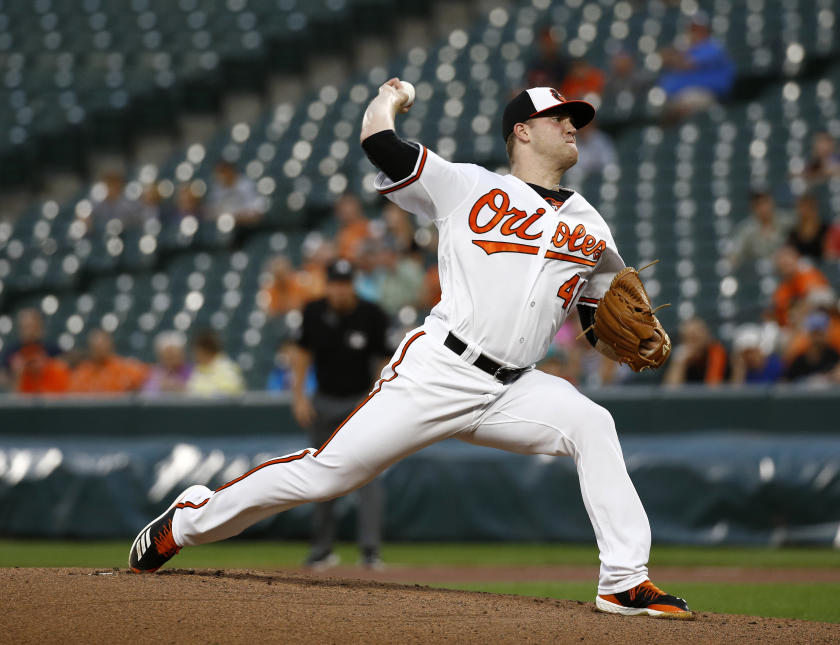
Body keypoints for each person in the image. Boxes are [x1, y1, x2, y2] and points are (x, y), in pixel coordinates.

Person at [129, 81, 693, 620]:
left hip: (515, 386)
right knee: (326, 475)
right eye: (560, 117)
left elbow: (600, 316)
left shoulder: (589, 223)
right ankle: (189, 520)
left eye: (577, 120)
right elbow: (379, 142)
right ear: (522, 131)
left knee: (592, 423)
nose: (573, 125)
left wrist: (630, 337)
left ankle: (623, 580)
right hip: (441, 368)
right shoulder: (469, 186)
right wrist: (387, 99)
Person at [288, 259, 392, 569]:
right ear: (328, 283)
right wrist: (299, 397)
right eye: (335, 282)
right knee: (319, 474)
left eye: (345, 283)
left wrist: (377, 399)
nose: (339, 289)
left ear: (353, 284)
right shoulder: (313, 311)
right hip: (324, 400)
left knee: (369, 476)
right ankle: (321, 550)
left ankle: (370, 551)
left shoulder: (372, 313)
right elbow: (301, 353)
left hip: (359, 401)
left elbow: (386, 358)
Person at [657, 12, 735, 122]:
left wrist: (671, 56)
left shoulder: (713, 47)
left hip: (705, 95)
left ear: (706, 31)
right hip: (675, 97)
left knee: (687, 102)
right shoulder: (687, 51)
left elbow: (687, 64)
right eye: (691, 30)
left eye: (698, 30)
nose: (694, 34)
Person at [69, 329, 149, 393]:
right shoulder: (82, 372)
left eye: (102, 346)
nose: (99, 350)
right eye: (96, 347)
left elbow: (145, 376)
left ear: (111, 346)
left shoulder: (125, 367)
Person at [0, 308, 62, 391]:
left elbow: (65, 370)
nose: (28, 332)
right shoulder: (10, 351)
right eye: (24, 327)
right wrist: (15, 373)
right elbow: (3, 379)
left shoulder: (52, 349)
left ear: (40, 327)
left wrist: (48, 367)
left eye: (32, 327)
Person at [727, 190, 791, 268]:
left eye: (765, 202)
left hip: (786, 270)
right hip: (757, 273)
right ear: (752, 207)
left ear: (772, 202)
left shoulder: (786, 220)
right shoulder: (745, 229)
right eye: (758, 204)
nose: (763, 208)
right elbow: (734, 253)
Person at [770, 246, 829, 327]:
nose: (785, 266)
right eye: (782, 264)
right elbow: (779, 318)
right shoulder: (780, 291)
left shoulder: (809, 275)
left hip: (818, 327)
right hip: (790, 331)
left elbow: (822, 301)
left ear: (796, 259)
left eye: (787, 263)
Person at [663, 317, 727, 386]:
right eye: (689, 338)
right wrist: (680, 364)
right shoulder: (681, 357)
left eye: (696, 338)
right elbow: (670, 392)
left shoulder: (716, 352)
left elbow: (713, 390)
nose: (694, 344)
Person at [783, 311, 840, 383]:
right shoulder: (799, 361)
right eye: (814, 333)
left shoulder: (834, 357)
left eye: (820, 333)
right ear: (809, 334)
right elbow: (786, 382)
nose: (817, 338)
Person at [185, 329, 245, 395]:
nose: (194, 355)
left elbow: (229, 395)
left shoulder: (227, 368)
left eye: (196, 351)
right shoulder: (198, 369)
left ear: (203, 350)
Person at [207, 160, 266, 226]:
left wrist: (235, 217)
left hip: (247, 227)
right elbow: (212, 212)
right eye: (218, 173)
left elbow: (257, 213)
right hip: (225, 225)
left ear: (230, 171)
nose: (220, 176)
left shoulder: (247, 185)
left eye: (223, 172)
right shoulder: (217, 187)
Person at [786, 193, 828, 261]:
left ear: (814, 209)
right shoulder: (794, 232)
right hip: (800, 267)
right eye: (800, 207)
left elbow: (828, 254)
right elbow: (790, 252)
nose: (803, 211)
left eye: (806, 207)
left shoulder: (824, 229)